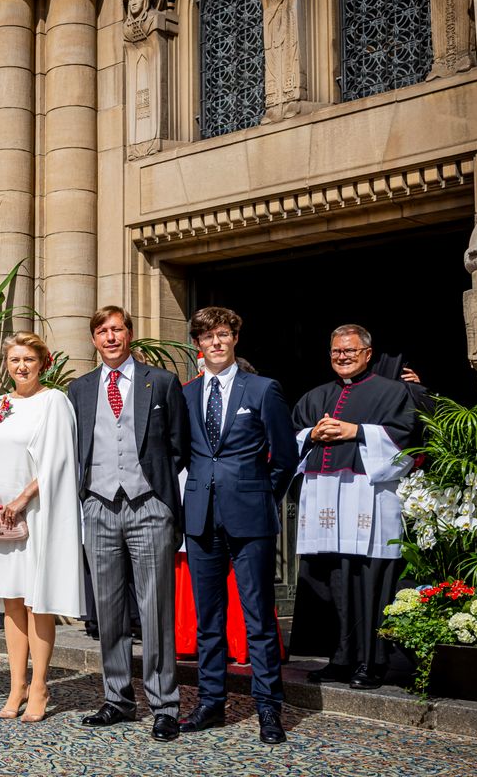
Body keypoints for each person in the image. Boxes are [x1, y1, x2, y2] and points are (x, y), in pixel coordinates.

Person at [67, 306, 188, 742]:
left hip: (148, 504)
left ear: (130, 334)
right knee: (109, 608)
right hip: (99, 506)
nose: (111, 337)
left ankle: (164, 705)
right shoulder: (79, 389)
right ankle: (117, 699)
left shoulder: (162, 382)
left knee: (155, 609)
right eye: (102, 331)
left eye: (117, 329)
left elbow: (179, 446)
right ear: (94, 339)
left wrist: (158, 496)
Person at [179, 306, 297, 745]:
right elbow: (182, 453)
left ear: (234, 339)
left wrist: (260, 495)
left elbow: (285, 457)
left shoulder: (263, 389)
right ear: (197, 344)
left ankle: (268, 708)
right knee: (208, 618)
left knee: (258, 616)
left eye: (223, 334)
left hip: (250, 517)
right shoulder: (187, 394)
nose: (216, 342)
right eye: (207, 336)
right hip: (200, 517)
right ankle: (210, 702)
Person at [0, 332, 83, 723]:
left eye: (28, 359)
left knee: (35, 600)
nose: (21, 366)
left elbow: (59, 461)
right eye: (14, 359)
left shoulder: (55, 402)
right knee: (11, 601)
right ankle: (16, 686)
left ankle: (40, 686)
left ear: (42, 363)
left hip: (36, 513)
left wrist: (20, 501)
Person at [289, 324, 415, 689]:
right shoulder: (315, 396)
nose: (342, 357)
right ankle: (339, 658)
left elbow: (406, 439)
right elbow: (289, 436)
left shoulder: (393, 392)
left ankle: (371, 662)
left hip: (367, 498)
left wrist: (356, 431)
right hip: (324, 500)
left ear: (367, 354)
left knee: (367, 580)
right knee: (330, 578)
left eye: (350, 350)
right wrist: (310, 435)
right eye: (336, 351)